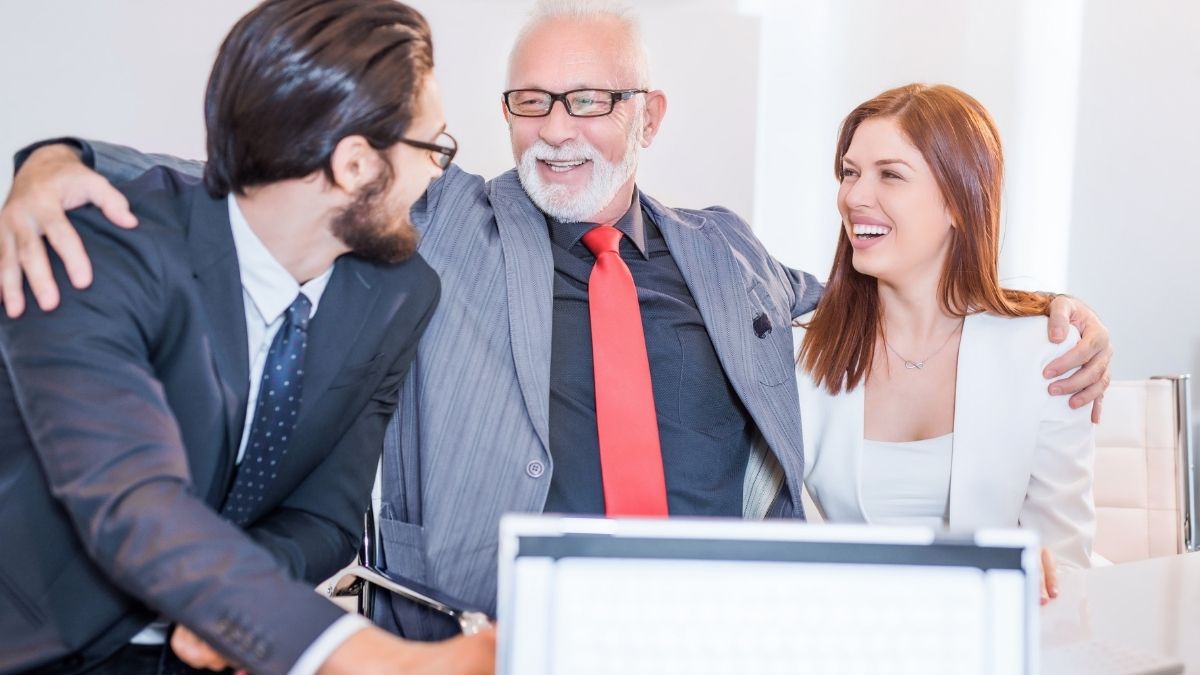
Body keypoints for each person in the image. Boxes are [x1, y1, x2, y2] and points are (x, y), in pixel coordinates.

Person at [0, 0, 1112, 644]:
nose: (555, 131)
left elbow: (876, 287)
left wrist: (1044, 310)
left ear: (648, 115)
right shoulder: (438, 219)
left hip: (719, 634)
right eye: (530, 101)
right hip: (500, 630)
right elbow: (274, 171)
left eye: (589, 101)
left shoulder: (726, 254)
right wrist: (63, 162)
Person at [0, 0, 495, 673]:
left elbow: (327, 518)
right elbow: (132, 500)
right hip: (34, 642)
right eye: (433, 146)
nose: (438, 171)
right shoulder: (95, 251)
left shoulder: (400, 293)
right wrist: (371, 657)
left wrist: (233, 605)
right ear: (354, 165)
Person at [795, 84, 1095, 602]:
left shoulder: (1045, 351)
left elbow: (1067, 560)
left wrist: (1034, 576)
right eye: (850, 172)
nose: (855, 196)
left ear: (960, 200)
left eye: (890, 174)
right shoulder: (800, 352)